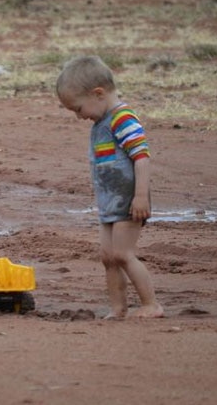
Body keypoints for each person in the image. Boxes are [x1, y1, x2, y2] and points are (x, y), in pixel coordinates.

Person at [56, 55, 164, 319]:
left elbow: (141, 158)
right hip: (109, 203)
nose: (79, 117)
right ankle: (118, 308)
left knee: (123, 254)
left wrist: (140, 197)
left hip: (129, 201)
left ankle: (152, 304)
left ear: (98, 94)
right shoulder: (100, 122)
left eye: (78, 109)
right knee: (108, 257)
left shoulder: (122, 119)